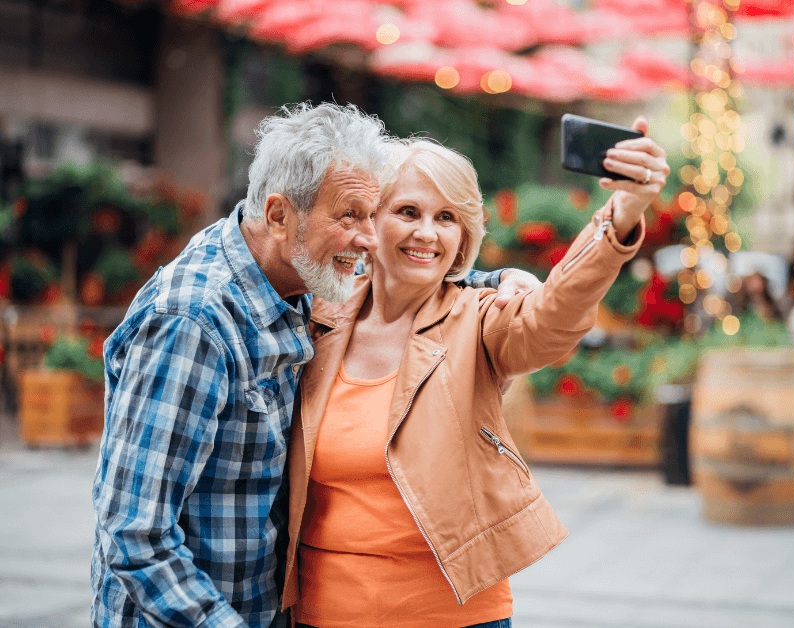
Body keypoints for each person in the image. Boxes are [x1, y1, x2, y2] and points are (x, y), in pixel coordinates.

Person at [90, 102, 539, 628]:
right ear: (279, 215)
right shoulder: (194, 322)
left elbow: (409, 271)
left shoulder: (298, 272)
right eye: (350, 215)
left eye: (374, 215)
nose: (370, 237)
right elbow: (135, 535)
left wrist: (500, 279)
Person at [282, 119, 668, 627]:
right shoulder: (316, 319)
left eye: (446, 217)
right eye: (407, 211)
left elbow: (553, 316)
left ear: (463, 234)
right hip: (322, 614)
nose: (427, 232)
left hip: (453, 617)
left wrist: (620, 216)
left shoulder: (481, 319)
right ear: (371, 221)